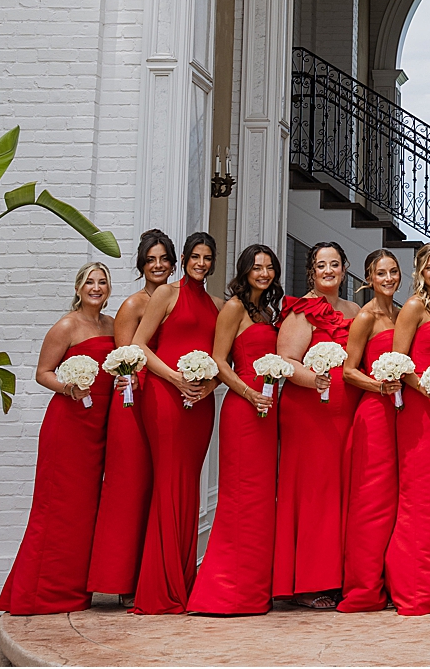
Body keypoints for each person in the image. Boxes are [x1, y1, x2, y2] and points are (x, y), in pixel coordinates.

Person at [0, 262, 116, 615]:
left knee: (85, 510)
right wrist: (69, 388)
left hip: (100, 426)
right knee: (58, 508)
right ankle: (38, 593)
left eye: (103, 282)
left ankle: (74, 591)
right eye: (90, 282)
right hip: (69, 426)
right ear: (78, 288)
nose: (96, 287)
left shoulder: (112, 326)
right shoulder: (67, 325)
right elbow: (41, 373)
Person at [129, 232, 222, 615]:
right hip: (166, 398)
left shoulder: (218, 305)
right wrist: (176, 379)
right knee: (169, 484)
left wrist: (208, 385)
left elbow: (223, 360)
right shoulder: (166, 294)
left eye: (207, 257)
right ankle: (159, 588)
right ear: (183, 258)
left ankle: (182, 582)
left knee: (188, 488)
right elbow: (139, 345)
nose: (201, 263)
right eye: (195, 256)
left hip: (200, 404)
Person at [188, 244, 283, 616]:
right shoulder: (234, 308)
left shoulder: (268, 311)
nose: (264, 273)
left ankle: (253, 591)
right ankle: (225, 592)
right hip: (243, 410)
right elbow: (218, 358)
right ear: (244, 270)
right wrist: (248, 392)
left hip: (267, 411)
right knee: (239, 498)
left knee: (261, 502)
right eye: (257, 267)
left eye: (269, 267)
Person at [272, 240, 361, 610]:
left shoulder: (355, 310)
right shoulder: (301, 311)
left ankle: (336, 575)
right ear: (311, 270)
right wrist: (315, 380)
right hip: (309, 414)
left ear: (344, 269)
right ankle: (307, 582)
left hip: (346, 413)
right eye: (321, 265)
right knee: (313, 494)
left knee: (340, 494)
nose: (329, 271)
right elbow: (285, 361)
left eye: (335, 264)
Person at [86, 230, 171, 598]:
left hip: (166, 400)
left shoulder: (176, 300)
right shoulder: (133, 304)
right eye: (151, 260)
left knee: (158, 486)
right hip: (132, 402)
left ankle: (151, 574)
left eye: (164, 259)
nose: (158, 265)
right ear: (141, 265)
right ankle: (121, 581)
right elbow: (124, 358)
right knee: (130, 487)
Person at [386, 243, 430, 616]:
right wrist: (427, 388)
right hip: (419, 405)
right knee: (420, 493)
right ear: (420, 270)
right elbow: (399, 362)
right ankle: (413, 586)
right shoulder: (414, 307)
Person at [339, 249, 404, 613]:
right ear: (369, 277)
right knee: (372, 502)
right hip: (375, 414)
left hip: (400, 413)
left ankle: (391, 581)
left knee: (394, 500)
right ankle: (364, 587)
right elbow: (349, 370)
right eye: (381, 273)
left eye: (393, 272)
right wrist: (379, 387)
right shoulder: (365, 316)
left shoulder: (402, 312)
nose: (388, 278)